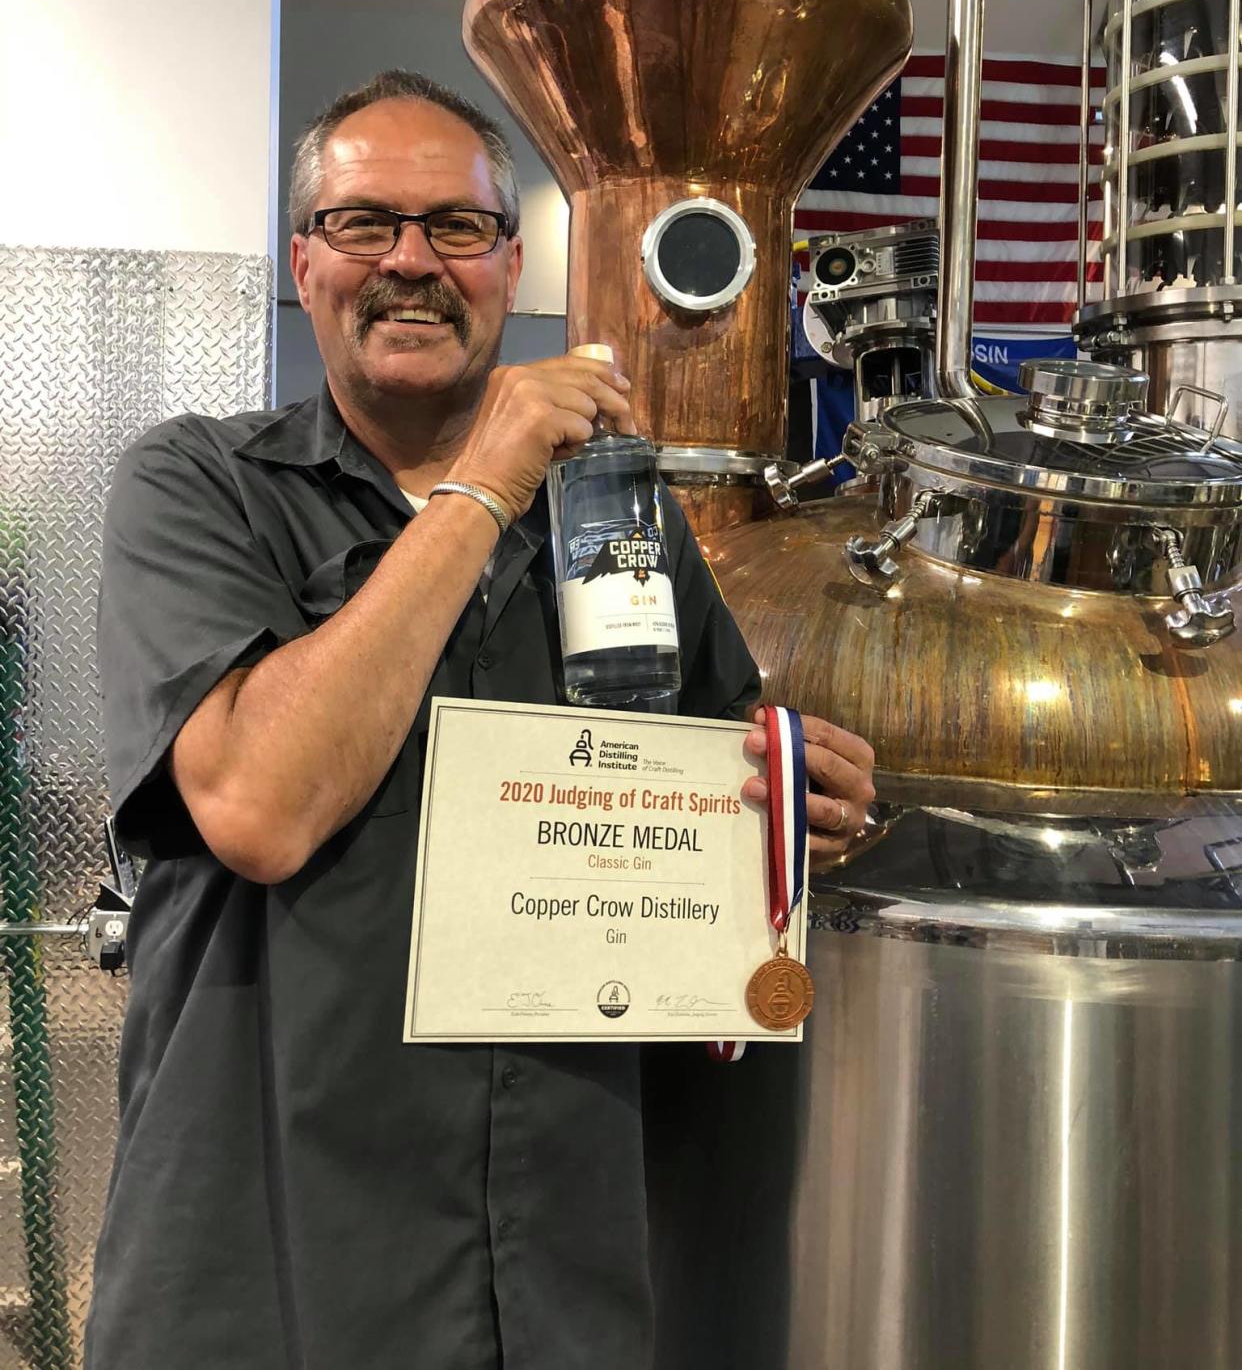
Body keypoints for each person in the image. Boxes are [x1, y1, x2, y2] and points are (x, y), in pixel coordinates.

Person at [85, 69, 875, 1369]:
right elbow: (260, 804)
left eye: (454, 227)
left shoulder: (620, 527)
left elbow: (707, 823)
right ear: (301, 261)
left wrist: (792, 808)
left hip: (552, 1288)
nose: (411, 261)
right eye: (363, 223)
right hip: (270, 1285)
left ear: (511, 267)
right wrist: (487, 477)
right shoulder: (196, 488)